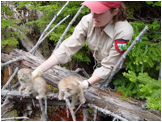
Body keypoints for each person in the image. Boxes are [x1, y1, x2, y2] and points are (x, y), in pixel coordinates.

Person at [32, 1, 133, 90]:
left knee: (112, 105)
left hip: (121, 73)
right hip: (100, 66)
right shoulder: (88, 20)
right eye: (92, 10)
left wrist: (86, 83)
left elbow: (110, 65)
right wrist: (39, 70)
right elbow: (67, 48)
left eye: (99, 12)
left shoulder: (123, 32)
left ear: (114, 12)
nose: (93, 16)